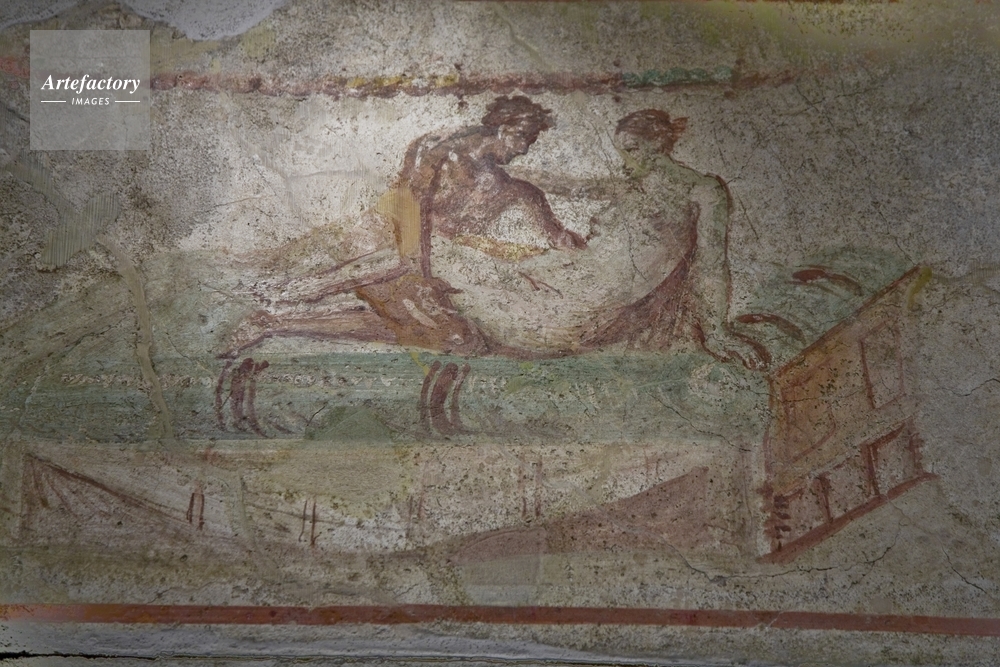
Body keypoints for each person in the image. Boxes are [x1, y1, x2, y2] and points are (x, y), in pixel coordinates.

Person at [223, 101, 765, 370]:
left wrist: (716, 332)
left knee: (440, 292)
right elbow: (560, 195)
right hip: (557, 278)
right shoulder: (628, 186)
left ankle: (284, 308)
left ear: (661, 145)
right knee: (428, 271)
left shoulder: (701, 191)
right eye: (624, 152)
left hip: (573, 302)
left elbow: (711, 266)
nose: (627, 162)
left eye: (634, 152)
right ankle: (286, 301)